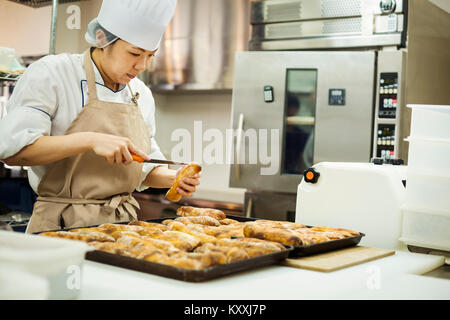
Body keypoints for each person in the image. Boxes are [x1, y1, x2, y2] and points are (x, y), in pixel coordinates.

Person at [0, 0, 201, 233]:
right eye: (135, 53)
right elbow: (14, 152)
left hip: (123, 228)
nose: (142, 65)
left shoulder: (140, 93)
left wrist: (172, 178)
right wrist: (92, 140)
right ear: (103, 39)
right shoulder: (52, 74)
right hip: (60, 227)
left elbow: (144, 164)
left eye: (151, 55)